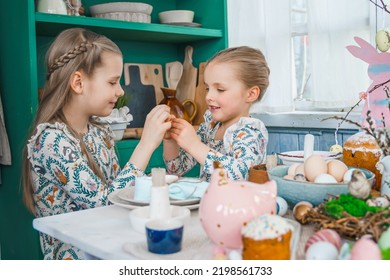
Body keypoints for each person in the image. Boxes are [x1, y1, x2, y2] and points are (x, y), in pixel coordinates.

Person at [22, 28, 172, 260]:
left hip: (109, 250)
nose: (121, 90)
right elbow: (107, 205)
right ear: (78, 83)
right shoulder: (51, 140)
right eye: (112, 82)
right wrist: (146, 145)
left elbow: (117, 193)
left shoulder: (100, 132)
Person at [163, 46, 270, 181]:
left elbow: (240, 175)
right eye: (207, 88)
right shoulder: (211, 126)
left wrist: (194, 145)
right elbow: (176, 169)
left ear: (251, 94)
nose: (208, 96)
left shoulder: (250, 132)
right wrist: (171, 140)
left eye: (220, 89)